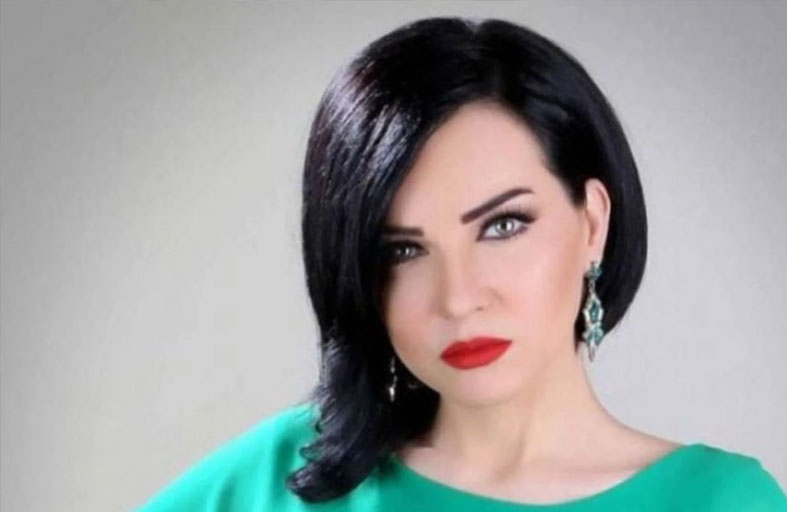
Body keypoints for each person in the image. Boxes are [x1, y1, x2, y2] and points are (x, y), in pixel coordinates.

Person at [133, 16, 787, 511]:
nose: (458, 297)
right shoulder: (284, 480)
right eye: (403, 250)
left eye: (502, 226)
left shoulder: (720, 502)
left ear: (592, 223)